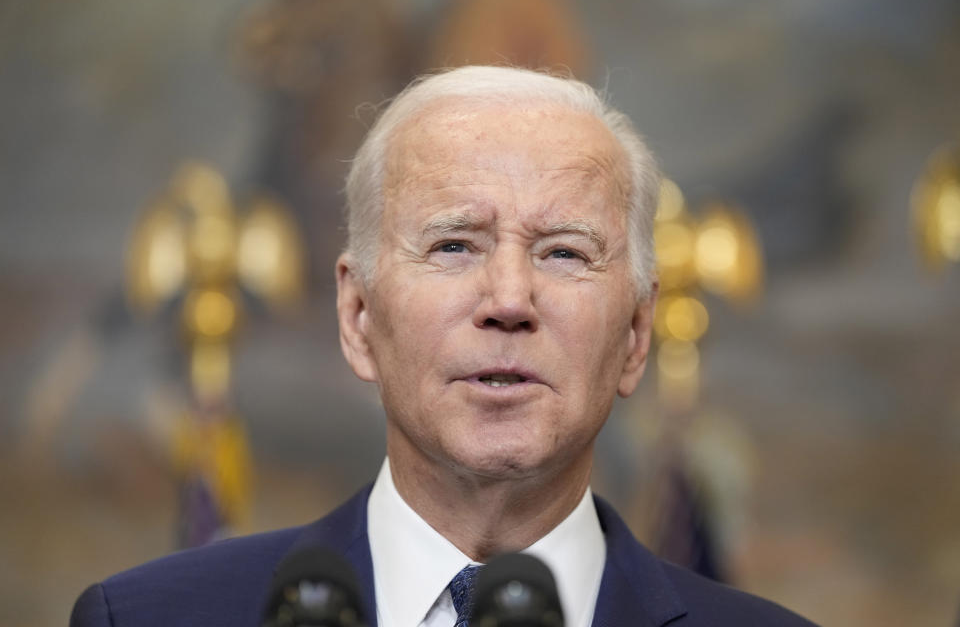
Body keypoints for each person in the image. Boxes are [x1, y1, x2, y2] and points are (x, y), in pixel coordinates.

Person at [70, 65, 816, 627]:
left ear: (636, 334)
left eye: (563, 253)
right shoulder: (146, 619)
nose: (509, 302)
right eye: (455, 245)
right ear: (359, 315)